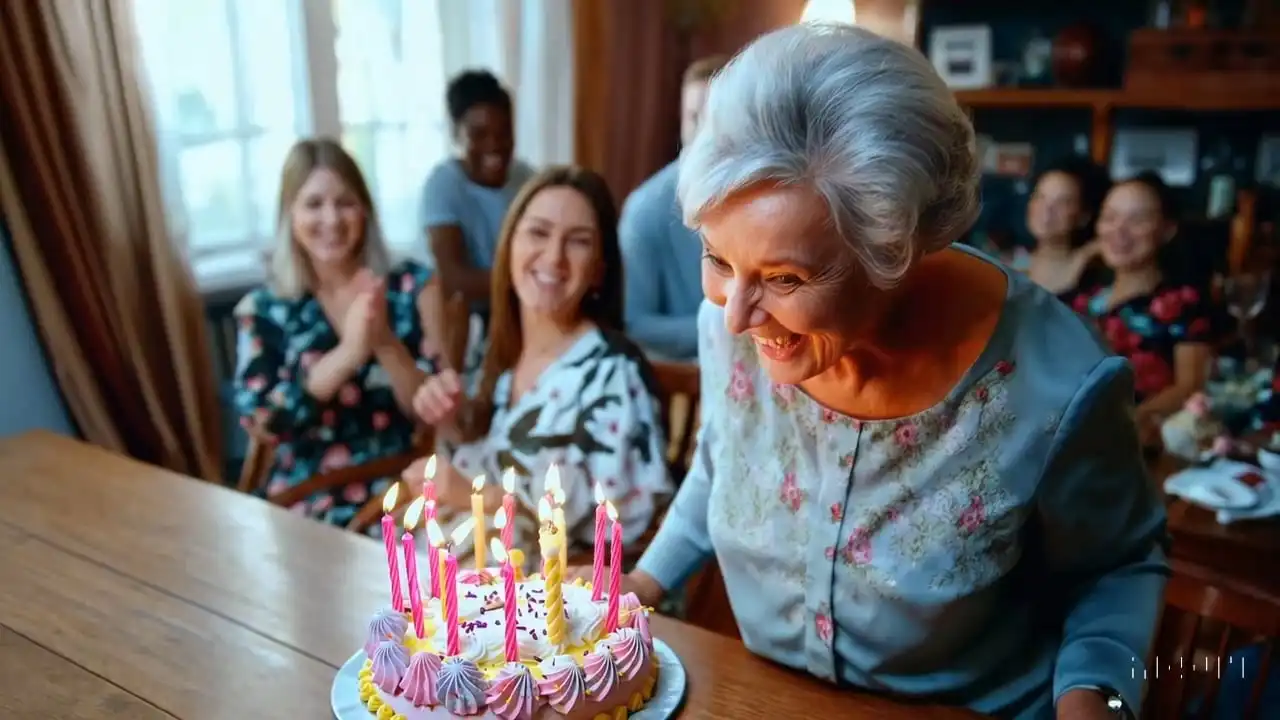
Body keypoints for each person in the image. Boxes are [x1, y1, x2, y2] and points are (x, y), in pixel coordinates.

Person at [595, 24, 1167, 720]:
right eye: (718, 259)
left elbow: (1117, 569)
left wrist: (1096, 702)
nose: (737, 315)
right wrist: (637, 588)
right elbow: (725, 463)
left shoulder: (1056, 384)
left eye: (784, 276)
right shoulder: (727, 327)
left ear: (898, 251)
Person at [404, 166, 672, 566]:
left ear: (599, 268)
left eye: (578, 242)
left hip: (543, 602)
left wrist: (479, 496)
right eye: (538, 233)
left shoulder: (614, 373)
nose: (554, 257)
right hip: (443, 580)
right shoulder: (495, 355)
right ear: (509, 244)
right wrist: (445, 419)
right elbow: (470, 460)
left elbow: (619, 526)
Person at [234, 138, 442, 526]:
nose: (331, 219)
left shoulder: (411, 285)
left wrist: (383, 341)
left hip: (397, 487)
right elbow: (263, 422)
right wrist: (348, 352)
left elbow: (433, 412)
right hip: (305, 495)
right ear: (290, 215)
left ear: (364, 209)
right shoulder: (263, 309)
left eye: (345, 202)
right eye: (313, 204)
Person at [1066, 173, 1214, 445]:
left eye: (1138, 220)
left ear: (1167, 229)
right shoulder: (1085, 299)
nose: (1119, 231)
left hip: (1135, 446)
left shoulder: (1182, 304)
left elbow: (1189, 385)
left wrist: (1129, 422)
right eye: (1110, 217)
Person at [419, 70, 536, 374]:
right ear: (457, 134)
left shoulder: (527, 180)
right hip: (458, 323)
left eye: (504, 133)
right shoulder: (444, 184)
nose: (494, 146)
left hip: (511, 311)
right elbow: (454, 279)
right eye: (479, 134)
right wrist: (524, 278)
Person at [618, 56, 728, 360]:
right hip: (683, 380)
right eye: (695, 119)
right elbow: (633, 321)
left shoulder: (764, 201)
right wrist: (728, 329)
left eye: (718, 120)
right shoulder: (645, 211)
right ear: (681, 121)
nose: (706, 135)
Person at [1023, 159, 1111, 299]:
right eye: (1041, 197)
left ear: (1084, 216)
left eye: (1062, 202)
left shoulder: (1093, 273)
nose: (1047, 209)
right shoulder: (1009, 261)